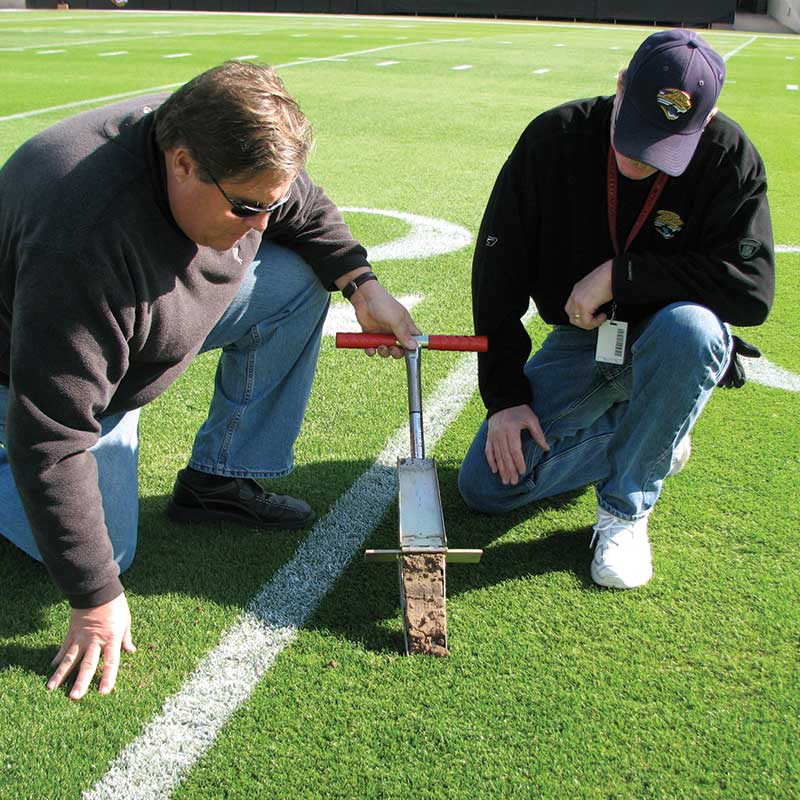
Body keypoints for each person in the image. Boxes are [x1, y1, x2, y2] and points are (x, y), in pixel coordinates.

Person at [0, 61, 419, 700]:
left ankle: (218, 479)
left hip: (130, 338)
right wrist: (94, 600)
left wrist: (363, 286)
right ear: (183, 164)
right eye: (248, 208)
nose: (261, 225)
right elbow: (51, 435)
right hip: (30, 363)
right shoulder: (82, 239)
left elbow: (300, 205)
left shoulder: (233, 150)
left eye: (267, 205)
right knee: (107, 554)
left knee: (300, 280)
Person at [458, 29, 774, 591]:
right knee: (486, 487)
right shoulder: (554, 138)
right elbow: (497, 270)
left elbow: (751, 291)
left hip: (670, 340)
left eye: (663, 143)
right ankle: (658, 431)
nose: (639, 158)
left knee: (693, 329)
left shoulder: (728, 156)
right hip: (586, 340)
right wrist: (505, 398)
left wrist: (620, 274)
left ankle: (626, 511)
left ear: (706, 119)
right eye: (634, 133)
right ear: (621, 85)